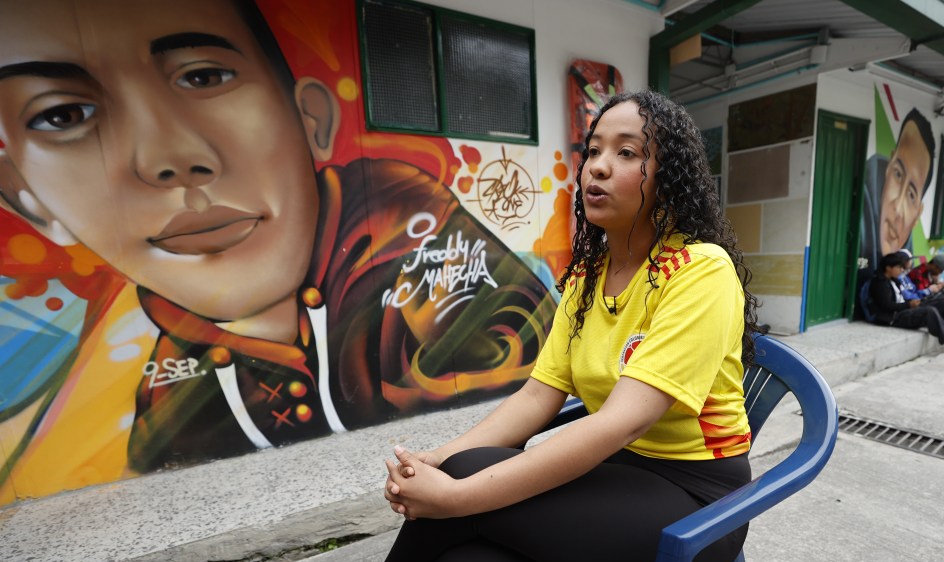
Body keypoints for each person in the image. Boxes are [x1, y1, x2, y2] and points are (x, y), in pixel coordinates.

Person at [252, 90, 760, 562]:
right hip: (621, 479)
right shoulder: (589, 277)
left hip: (695, 510)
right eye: (594, 149)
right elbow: (538, 396)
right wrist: (435, 461)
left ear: (670, 176)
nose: (597, 166)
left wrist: (454, 496)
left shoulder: (700, 271)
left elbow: (618, 422)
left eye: (628, 153)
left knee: (466, 486)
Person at [0, 0, 555, 479]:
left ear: (311, 118)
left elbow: (513, 366)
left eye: (203, 76)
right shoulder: (171, 382)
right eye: (64, 114)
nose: (167, 159)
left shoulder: (401, 225)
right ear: (24, 195)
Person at [859, 108, 936, 274]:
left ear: (917, 214)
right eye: (898, 174)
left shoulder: (906, 257)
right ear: (888, 170)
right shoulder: (859, 217)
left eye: (911, 195)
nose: (897, 206)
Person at [867, 252, 944, 350]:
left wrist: (913, 302)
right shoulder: (880, 283)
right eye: (899, 267)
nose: (901, 270)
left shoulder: (895, 280)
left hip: (907, 307)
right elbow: (887, 306)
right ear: (888, 268)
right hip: (895, 317)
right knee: (929, 311)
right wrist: (908, 304)